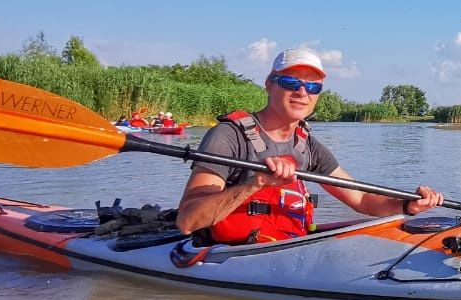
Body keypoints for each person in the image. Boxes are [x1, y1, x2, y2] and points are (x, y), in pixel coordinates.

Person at [175, 47, 443, 243]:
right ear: (269, 85)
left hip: (285, 248)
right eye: (291, 82)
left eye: (312, 87)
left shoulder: (307, 145)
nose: (302, 93)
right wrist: (255, 184)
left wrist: (407, 205)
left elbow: (360, 199)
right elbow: (187, 221)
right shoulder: (229, 136)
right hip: (229, 256)